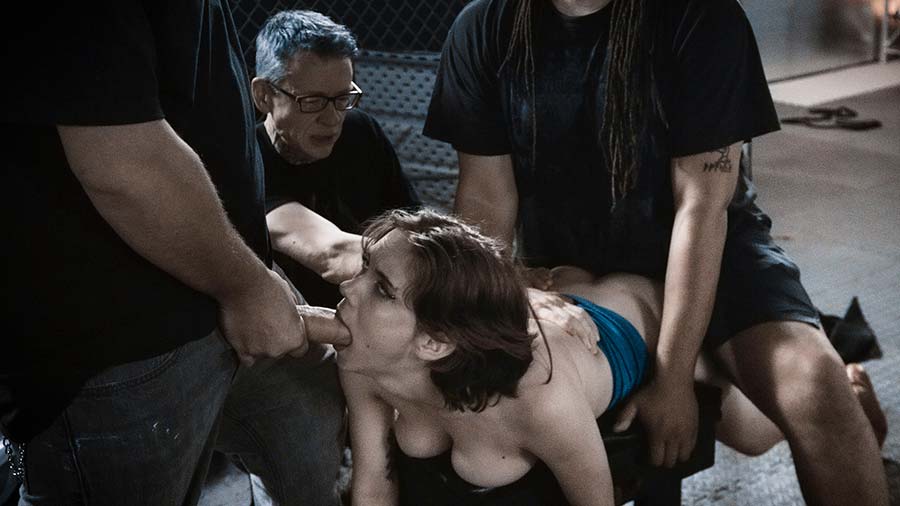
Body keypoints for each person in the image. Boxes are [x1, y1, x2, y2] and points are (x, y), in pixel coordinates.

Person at [422, 0, 888, 503]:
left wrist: (673, 377)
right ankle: (779, 381)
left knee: (815, 389)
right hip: (574, 260)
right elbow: (487, 197)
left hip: (715, 253)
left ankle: (841, 389)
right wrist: (502, 290)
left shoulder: (701, 18)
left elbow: (701, 207)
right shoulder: (485, 27)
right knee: (745, 429)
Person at [1, 2, 348, 505]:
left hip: (227, 286)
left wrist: (253, 279)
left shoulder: (362, 138)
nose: (332, 117)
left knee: (313, 417)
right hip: (121, 339)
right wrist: (246, 289)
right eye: (313, 100)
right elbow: (123, 162)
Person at [338, 209, 804, 505]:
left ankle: (834, 355)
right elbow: (373, 486)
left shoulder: (540, 399)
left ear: (435, 342)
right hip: (554, 299)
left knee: (758, 434)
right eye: (364, 268)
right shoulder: (364, 360)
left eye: (382, 289)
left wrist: (674, 380)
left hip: (637, 317)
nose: (347, 286)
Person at [251, 10, 420, 308]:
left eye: (343, 98)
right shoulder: (248, 161)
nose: (332, 119)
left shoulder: (360, 130)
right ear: (265, 95)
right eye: (312, 101)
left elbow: (411, 225)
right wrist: (446, 272)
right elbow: (332, 253)